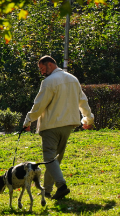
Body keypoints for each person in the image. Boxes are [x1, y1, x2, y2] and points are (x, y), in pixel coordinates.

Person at [23, 55, 94, 200]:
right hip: (68, 125)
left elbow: (39, 105)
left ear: (50, 64)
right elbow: (83, 101)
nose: (42, 72)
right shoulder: (73, 79)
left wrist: (27, 122)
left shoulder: (49, 82)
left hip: (51, 125)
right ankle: (47, 190)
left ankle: (61, 186)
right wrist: (88, 119)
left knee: (49, 157)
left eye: (42, 68)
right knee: (55, 159)